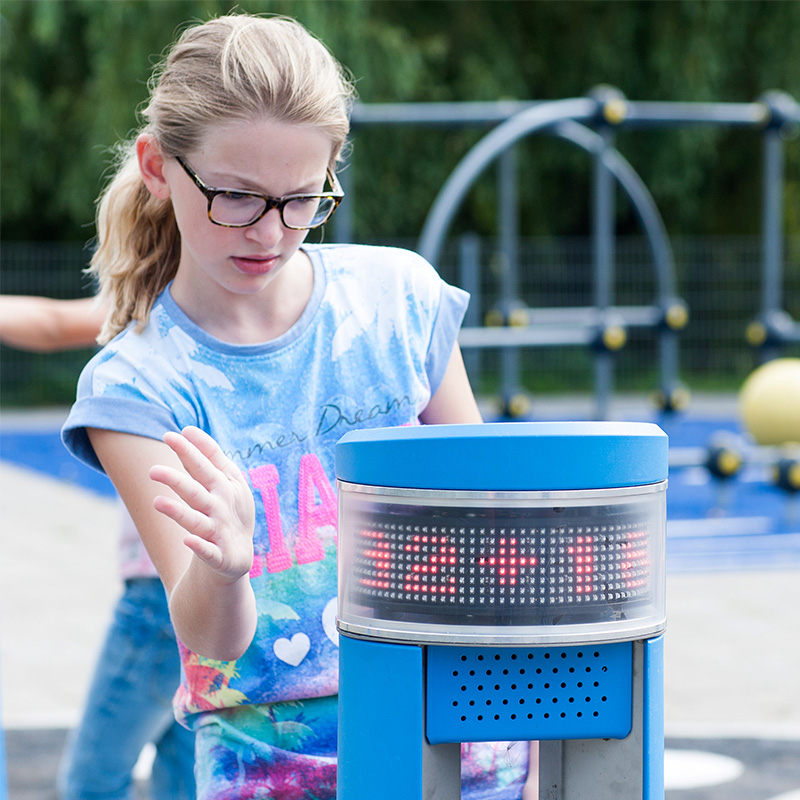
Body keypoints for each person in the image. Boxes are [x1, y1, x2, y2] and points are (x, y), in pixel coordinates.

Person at [61, 14, 536, 799]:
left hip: (466, 746)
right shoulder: (136, 388)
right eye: (236, 198)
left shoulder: (401, 301)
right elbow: (211, 642)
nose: (271, 233)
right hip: (273, 770)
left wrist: (541, 742)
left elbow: (489, 543)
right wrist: (224, 568)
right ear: (156, 167)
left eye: (302, 199)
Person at [0, 293, 196, 800]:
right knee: (186, 771)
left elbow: (51, 324)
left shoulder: (155, 305)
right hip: (216, 585)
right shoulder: (226, 312)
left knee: (92, 780)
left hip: (160, 596)